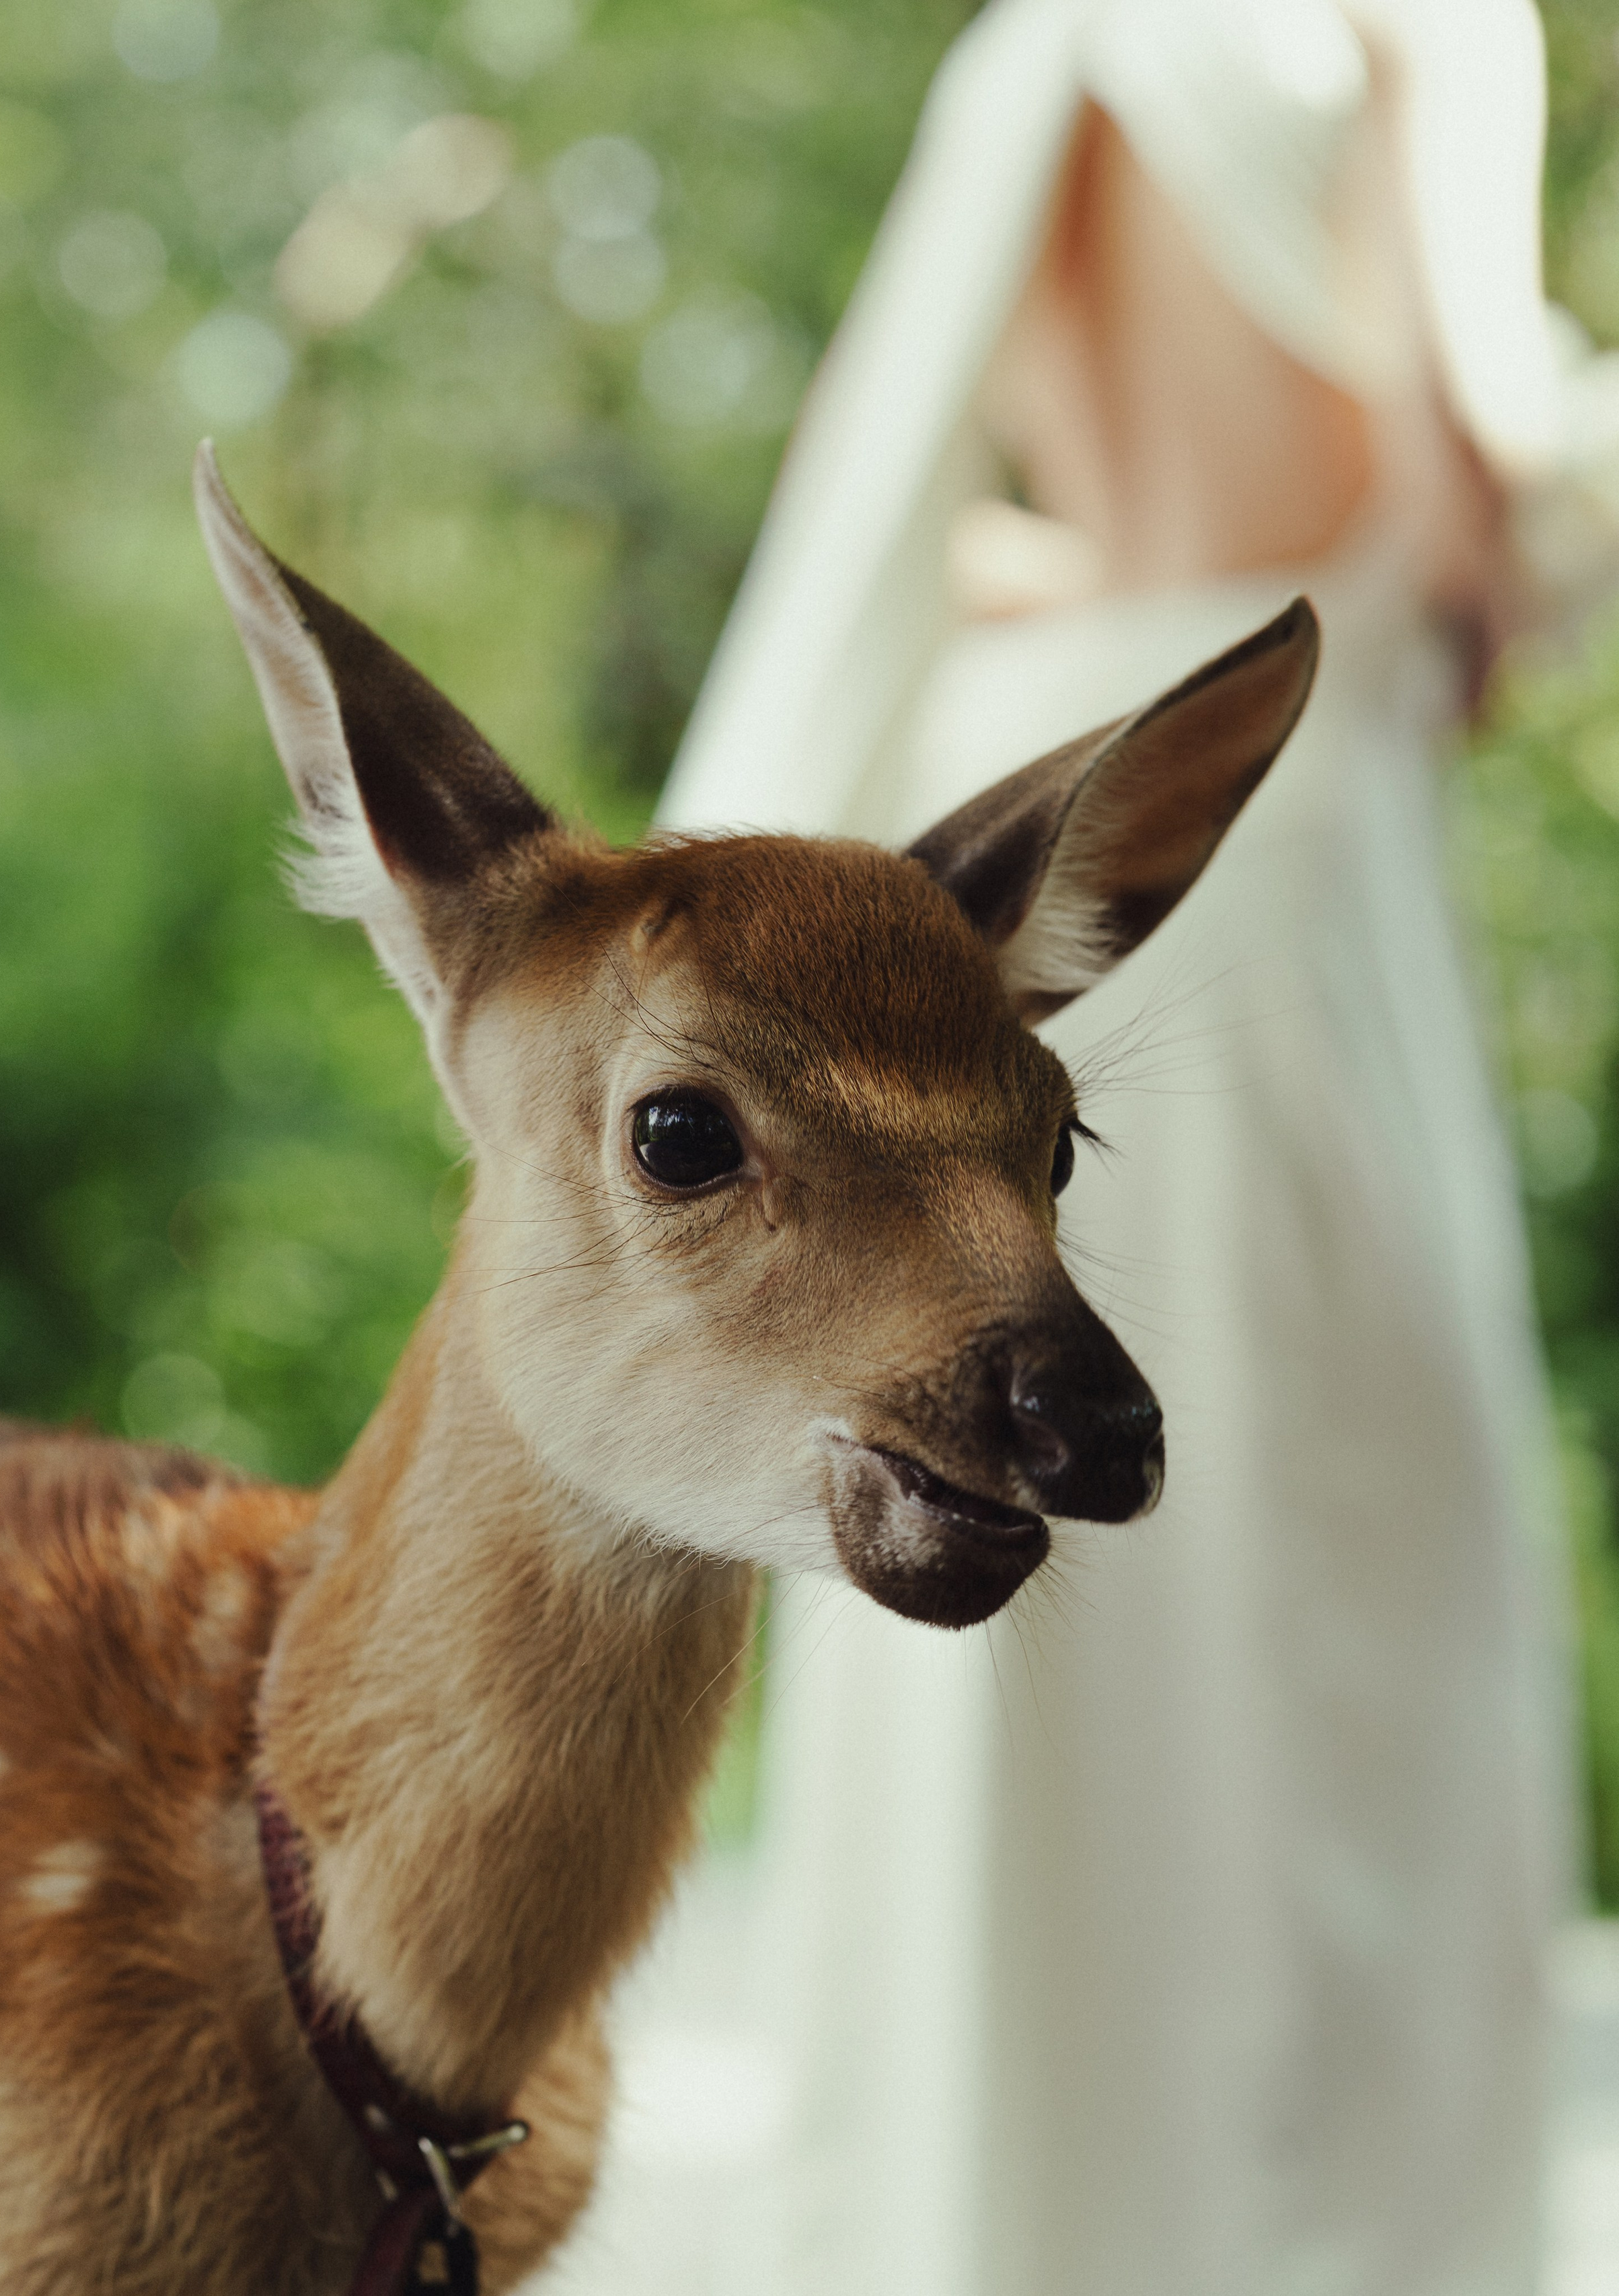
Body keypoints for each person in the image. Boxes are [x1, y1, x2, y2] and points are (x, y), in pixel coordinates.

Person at [640, 1, 1619, 2288]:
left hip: (1015, 778)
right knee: (1327, 1534)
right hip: (1260, 799)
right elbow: (1462, 507)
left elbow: (918, 481)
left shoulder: (1047, 43)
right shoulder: (1412, 24)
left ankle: (1001, 2211)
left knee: (987, 1463)